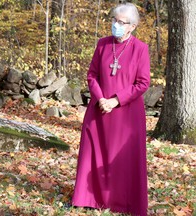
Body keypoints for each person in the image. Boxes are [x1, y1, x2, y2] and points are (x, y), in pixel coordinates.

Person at [71, 3, 150, 216]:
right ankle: (88, 198)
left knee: (122, 158)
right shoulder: (103, 44)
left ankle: (122, 202)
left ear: (132, 26)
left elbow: (143, 83)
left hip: (127, 114)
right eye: (114, 20)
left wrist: (115, 100)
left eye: (121, 22)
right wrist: (101, 98)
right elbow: (92, 75)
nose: (116, 25)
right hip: (99, 109)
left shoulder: (140, 49)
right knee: (93, 153)